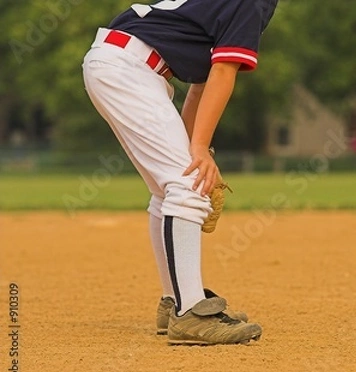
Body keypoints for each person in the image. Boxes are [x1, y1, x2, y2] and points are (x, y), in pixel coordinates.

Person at [82, 0, 278, 345]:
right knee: (187, 185)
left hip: (120, 63)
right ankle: (190, 314)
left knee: (172, 185)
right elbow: (222, 74)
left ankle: (176, 299)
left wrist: (192, 150)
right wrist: (200, 151)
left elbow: (202, 82)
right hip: (129, 69)